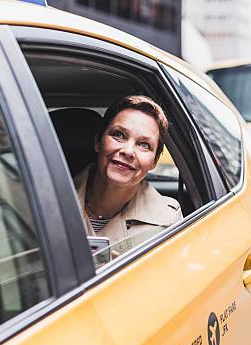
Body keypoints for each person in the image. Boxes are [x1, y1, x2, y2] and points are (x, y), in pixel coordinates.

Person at [73, 95, 182, 254]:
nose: (128, 151)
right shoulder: (46, 198)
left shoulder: (167, 221)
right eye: (119, 135)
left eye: (144, 145)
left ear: (154, 161)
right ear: (98, 141)